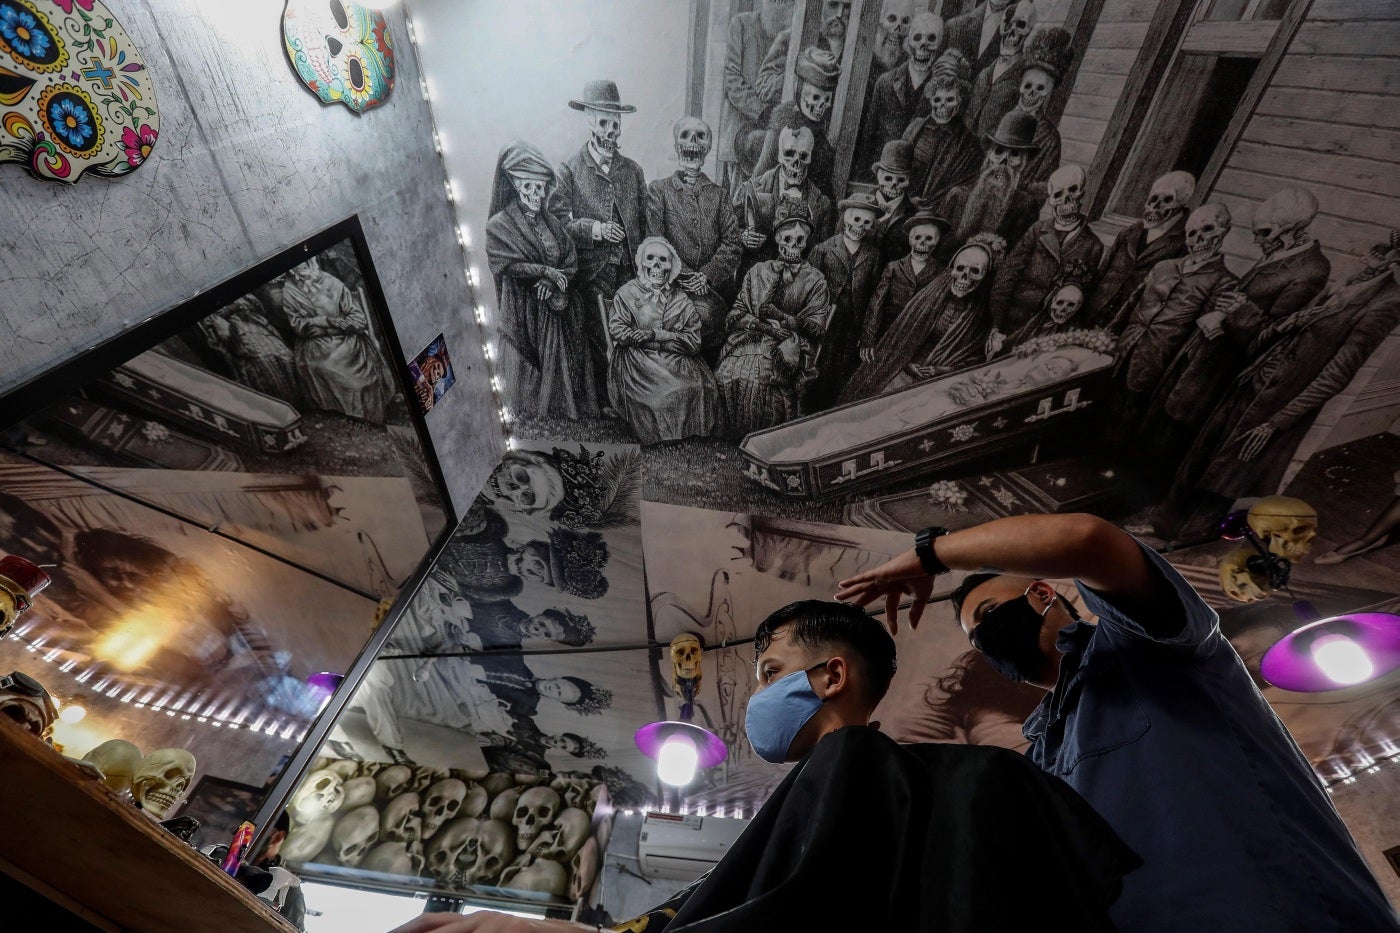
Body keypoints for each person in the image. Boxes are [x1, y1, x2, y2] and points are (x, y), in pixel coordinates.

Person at [391, 599, 1138, 933]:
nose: (756, 695)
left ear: (829, 677)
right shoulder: (959, 781)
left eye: (769, 669)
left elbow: (784, 917)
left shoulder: (852, 764)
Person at [834, 512, 1399, 932]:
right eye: (975, 638)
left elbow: (1088, 542)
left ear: (1039, 592)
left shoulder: (1147, 647)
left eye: (985, 615)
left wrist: (934, 553)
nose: (985, 638)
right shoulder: (1041, 755)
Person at [486, 141, 598, 420]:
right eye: (529, 187)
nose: (537, 195)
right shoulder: (499, 225)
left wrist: (553, 282)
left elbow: (569, 258)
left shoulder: (553, 222)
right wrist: (544, 273)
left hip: (557, 303)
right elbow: (508, 265)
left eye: (541, 187)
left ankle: (566, 406)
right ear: (514, 183)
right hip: (524, 307)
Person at [606, 236, 719, 444]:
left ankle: (691, 433)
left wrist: (658, 335)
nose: (656, 266)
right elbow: (617, 329)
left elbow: (693, 341)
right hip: (638, 360)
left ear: (672, 267)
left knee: (704, 386)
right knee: (663, 394)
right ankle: (663, 436)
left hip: (676, 357)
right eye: (650, 259)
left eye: (663, 261)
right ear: (642, 264)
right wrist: (636, 336)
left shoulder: (681, 298)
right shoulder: (626, 293)